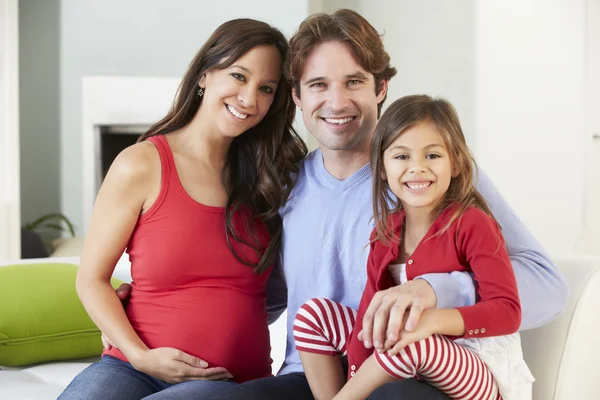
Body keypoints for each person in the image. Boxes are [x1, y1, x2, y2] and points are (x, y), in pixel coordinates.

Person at [213, 9, 567, 400]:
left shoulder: (431, 178)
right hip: (317, 377)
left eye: (354, 81)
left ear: (380, 88)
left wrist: (434, 291)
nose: (336, 101)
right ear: (297, 95)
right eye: (318, 84)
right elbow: (269, 297)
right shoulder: (286, 186)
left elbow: (548, 288)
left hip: (416, 375)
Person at [58, 18, 307, 400]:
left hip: (227, 384)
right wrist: (140, 355)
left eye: (266, 88)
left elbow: (273, 294)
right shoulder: (140, 164)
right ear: (205, 74)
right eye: (239, 76)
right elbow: (91, 278)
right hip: (132, 367)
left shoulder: (272, 179)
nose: (249, 98)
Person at [293, 94, 535, 400]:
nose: (417, 168)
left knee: (407, 333)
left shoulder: (473, 223)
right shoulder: (384, 235)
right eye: (401, 157)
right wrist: (356, 375)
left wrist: (431, 322)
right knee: (313, 315)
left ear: (456, 163)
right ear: (381, 168)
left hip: (478, 365)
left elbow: (507, 312)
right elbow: (369, 317)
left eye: (432, 156)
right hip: (407, 353)